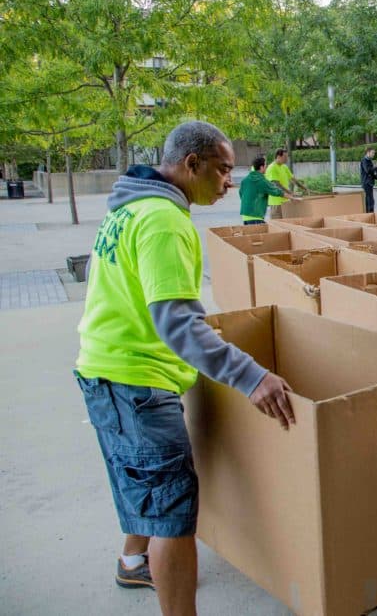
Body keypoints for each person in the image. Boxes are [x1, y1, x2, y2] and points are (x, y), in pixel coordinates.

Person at [75, 121, 295, 616]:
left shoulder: (128, 209)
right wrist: (251, 375)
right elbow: (176, 321)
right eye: (221, 170)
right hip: (137, 381)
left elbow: (128, 293)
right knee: (174, 514)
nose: (227, 183)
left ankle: (133, 561)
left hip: (105, 370)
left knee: (145, 482)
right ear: (190, 164)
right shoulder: (162, 221)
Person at [239, 156, 290, 224]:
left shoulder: (245, 180)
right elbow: (276, 191)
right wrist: (292, 197)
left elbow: (241, 194)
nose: (267, 166)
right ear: (261, 167)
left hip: (245, 215)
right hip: (256, 215)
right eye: (265, 165)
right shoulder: (262, 181)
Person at [264, 148, 307, 219]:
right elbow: (277, 185)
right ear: (278, 157)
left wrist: (304, 188)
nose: (286, 159)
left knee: (286, 224)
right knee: (278, 225)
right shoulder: (272, 168)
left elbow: (293, 179)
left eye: (287, 157)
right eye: (285, 157)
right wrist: (290, 193)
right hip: (276, 202)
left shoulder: (284, 167)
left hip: (286, 201)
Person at [359, 147, 377, 213]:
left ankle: (371, 213)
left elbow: (372, 172)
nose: (373, 154)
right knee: (369, 200)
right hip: (366, 183)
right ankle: (368, 213)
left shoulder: (369, 161)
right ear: (368, 152)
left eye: (374, 153)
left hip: (370, 183)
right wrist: (375, 168)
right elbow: (367, 170)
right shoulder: (364, 160)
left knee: (371, 199)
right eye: (372, 153)